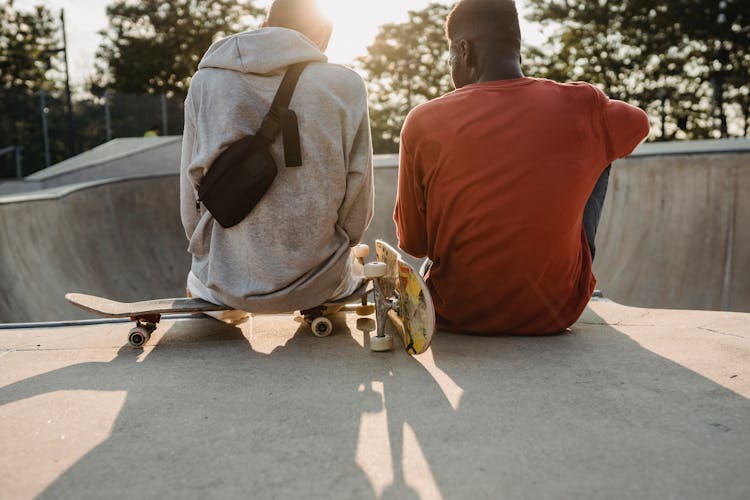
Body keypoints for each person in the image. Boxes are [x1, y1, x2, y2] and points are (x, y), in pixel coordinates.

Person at [394, 0, 650, 335]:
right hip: (556, 311)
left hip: (458, 310)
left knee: (432, 260)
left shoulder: (423, 120)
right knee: (601, 147)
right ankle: (567, 268)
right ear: (517, 51)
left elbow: (414, 245)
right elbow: (639, 123)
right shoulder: (583, 104)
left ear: (464, 50)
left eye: (450, 55)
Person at [180, 0, 373, 322]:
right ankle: (319, 300)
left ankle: (226, 306)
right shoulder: (346, 85)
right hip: (321, 278)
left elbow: (192, 190)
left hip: (223, 281)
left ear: (267, 25)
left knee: (199, 284)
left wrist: (206, 252)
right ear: (324, 33)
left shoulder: (205, 82)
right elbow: (358, 191)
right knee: (347, 270)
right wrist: (344, 245)